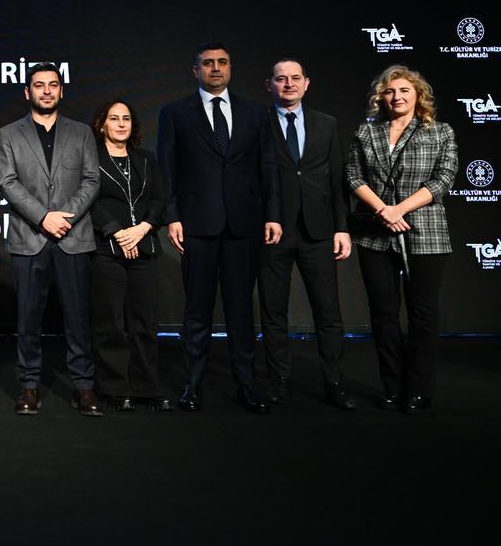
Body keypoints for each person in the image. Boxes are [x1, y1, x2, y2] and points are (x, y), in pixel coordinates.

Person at [157, 42, 282, 414]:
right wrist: (172, 216)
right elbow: (167, 169)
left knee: (242, 309)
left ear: (230, 69)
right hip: (196, 224)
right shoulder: (175, 112)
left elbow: (269, 166)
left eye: (222, 63)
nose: (215, 68)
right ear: (195, 70)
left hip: (244, 225)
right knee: (196, 310)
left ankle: (246, 383)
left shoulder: (256, 113)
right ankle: (192, 384)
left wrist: (273, 215)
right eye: (208, 63)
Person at [345, 65, 458, 414]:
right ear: (382, 97)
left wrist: (400, 210)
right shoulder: (367, 132)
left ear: (418, 95)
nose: (397, 97)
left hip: (425, 231)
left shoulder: (440, 132)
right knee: (383, 314)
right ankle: (392, 386)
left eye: (404, 91)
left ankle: (418, 389)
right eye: (391, 91)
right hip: (374, 234)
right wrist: (383, 210)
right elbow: (352, 174)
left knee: (422, 313)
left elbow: (444, 179)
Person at [0, 63, 102, 416]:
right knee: (28, 319)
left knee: (78, 319)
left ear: (61, 90)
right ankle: (28, 387)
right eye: (38, 85)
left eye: (52, 85)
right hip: (30, 237)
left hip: (74, 237)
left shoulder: (83, 132)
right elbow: (8, 183)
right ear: (27, 92)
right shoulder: (8, 134)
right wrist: (44, 217)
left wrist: (63, 218)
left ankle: (84, 387)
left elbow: (91, 180)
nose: (46, 91)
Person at [259, 59, 356, 410]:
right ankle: (279, 380)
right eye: (280, 79)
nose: (288, 84)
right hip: (273, 231)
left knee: (328, 313)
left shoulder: (326, 124)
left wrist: (342, 228)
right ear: (268, 84)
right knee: (273, 312)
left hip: (319, 232)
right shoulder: (257, 123)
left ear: (307, 83)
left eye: (295, 79)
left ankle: (334, 383)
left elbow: (336, 179)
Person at [88, 99, 169, 412]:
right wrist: (118, 232)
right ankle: (113, 387)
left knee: (144, 323)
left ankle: (147, 387)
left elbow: (160, 199)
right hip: (106, 249)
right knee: (110, 323)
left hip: (145, 247)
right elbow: (89, 200)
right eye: (114, 118)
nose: (121, 123)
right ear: (102, 124)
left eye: (126, 119)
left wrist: (144, 228)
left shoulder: (147, 160)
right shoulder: (91, 159)